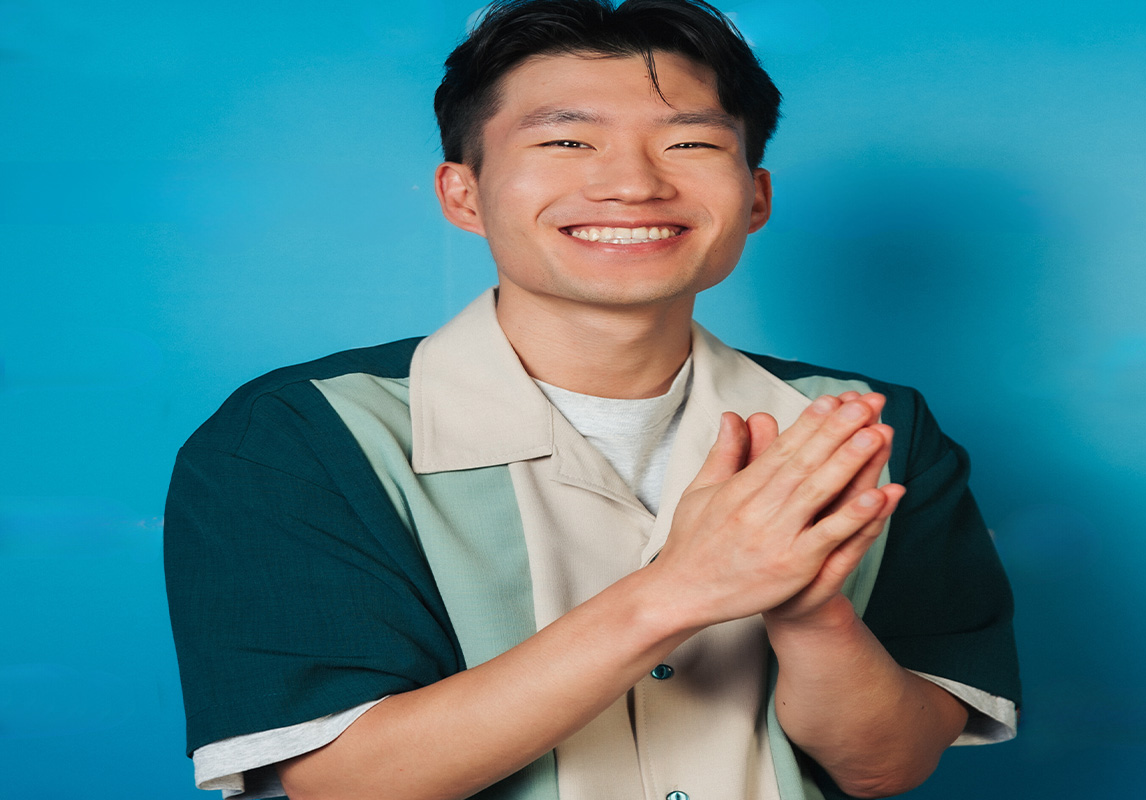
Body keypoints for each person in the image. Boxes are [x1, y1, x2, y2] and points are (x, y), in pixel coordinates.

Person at [164, 1, 1020, 798]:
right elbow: (342, 783)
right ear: (463, 192)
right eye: (568, 142)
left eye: (690, 143)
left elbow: (887, 766)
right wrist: (680, 591)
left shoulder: (868, 424)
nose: (634, 185)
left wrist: (810, 614)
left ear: (755, 196)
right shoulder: (302, 436)